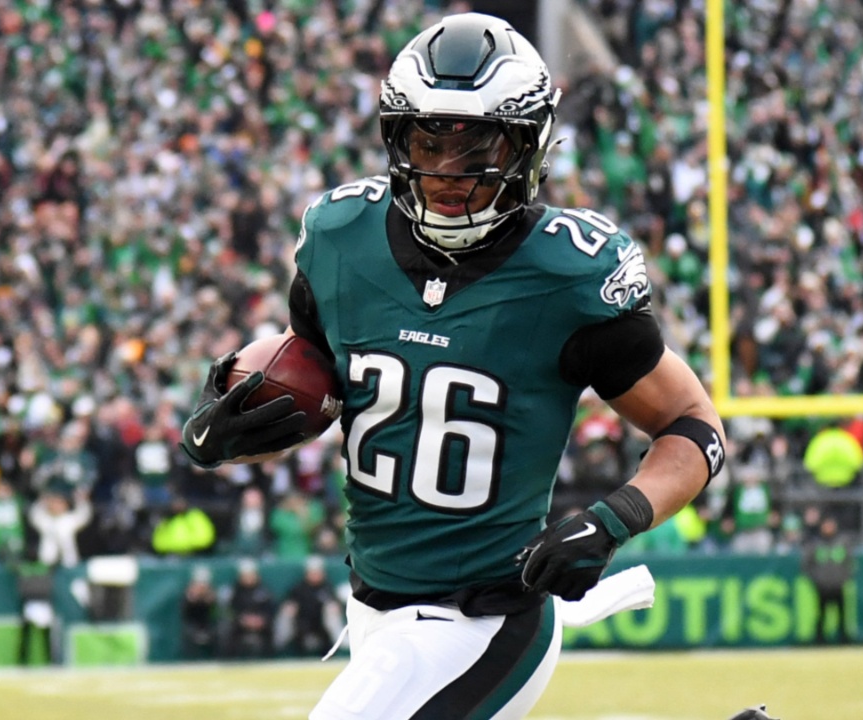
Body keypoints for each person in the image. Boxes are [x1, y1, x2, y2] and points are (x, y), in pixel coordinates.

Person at [179, 13, 724, 718]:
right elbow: (314, 383)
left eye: (476, 153)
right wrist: (225, 425)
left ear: (529, 147)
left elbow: (693, 423)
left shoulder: (569, 275)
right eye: (427, 144)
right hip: (375, 608)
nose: (446, 174)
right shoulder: (341, 240)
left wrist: (615, 517)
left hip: (489, 619)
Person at [274, 556, 345, 658]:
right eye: (312, 573)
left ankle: (342, 643)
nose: (315, 575)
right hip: (301, 626)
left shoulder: (327, 588)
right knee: (287, 611)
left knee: (331, 609)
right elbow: (289, 604)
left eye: (317, 572)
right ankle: (279, 644)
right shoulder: (298, 588)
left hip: (323, 628)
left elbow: (334, 606)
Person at [801, 516, 854, 644]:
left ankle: (844, 638)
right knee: (821, 613)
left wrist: (844, 578)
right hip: (822, 585)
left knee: (842, 613)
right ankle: (819, 638)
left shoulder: (842, 542)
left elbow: (850, 562)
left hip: (838, 584)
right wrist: (816, 579)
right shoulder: (815, 543)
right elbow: (806, 564)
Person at [226, 559, 276, 659]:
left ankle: (269, 660)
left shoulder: (264, 590)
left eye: (251, 575)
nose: (249, 578)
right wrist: (242, 619)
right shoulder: (234, 592)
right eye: (246, 576)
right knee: (228, 629)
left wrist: (261, 619)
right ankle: (231, 662)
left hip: (261, 624)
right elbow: (229, 610)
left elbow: (270, 608)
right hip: (239, 624)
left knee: (270, 629)